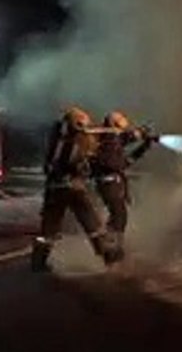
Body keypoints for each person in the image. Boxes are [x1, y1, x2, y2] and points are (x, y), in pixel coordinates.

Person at [31, 106, 119, 271]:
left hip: (58, 189)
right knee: (91, 222)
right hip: (70, 188)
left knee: (50, 229)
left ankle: (38, 262)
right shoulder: (68, 143)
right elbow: (75, 160)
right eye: (83, 123)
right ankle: (108, 256)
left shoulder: (60, 138)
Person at [91, 111, 155, 263]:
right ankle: (110, 250)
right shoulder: (108, 141)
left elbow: (128, 138)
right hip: (109, 184)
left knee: (118, 216)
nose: (126, 119)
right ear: (115, 123)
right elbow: (121, 162)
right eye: (121, 118)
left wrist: (144, 138)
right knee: (119, 216)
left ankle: (113, 249)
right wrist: (143, 144)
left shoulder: (112, 138)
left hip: (111, 183)